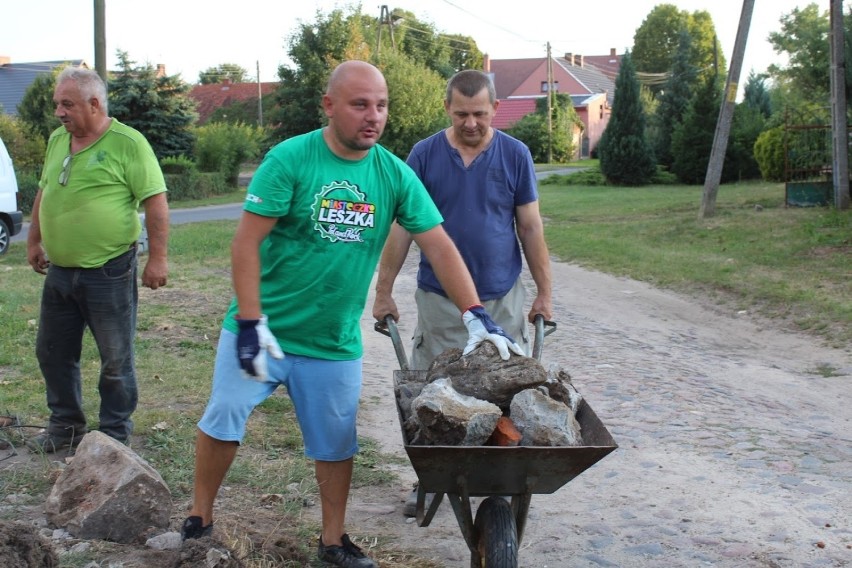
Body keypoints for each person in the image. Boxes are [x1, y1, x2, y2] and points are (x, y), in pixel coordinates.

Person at [180, 60, 522, 568]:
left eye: (381, 105)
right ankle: (199, 518)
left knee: (336, 442)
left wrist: (475, 312)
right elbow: (246, 244)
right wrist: (250, 320)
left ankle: (333, 541)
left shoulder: (392, 174)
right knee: (224, 416)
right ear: (330, 106)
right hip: (261, 329)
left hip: (331, 340)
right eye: (361, 104)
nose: (374, 116)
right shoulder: (290, 160)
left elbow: (439, 245)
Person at [371, 69, 553, 516]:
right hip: (439, 300)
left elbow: (529, 226)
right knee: (434, 391)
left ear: (494, 109)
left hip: (500, 296)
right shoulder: (425, 155)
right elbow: (402, 227)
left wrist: (544, 293)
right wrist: (384, 290)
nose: (470, 123)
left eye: (479, 114)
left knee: (501, 388)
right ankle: (430, 480)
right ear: (448, 110)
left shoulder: (515, 155)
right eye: (461, 114)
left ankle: (499, 477)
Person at [25, 66, 169, 452]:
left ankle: (113, 436)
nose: (59, 111)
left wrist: (158, 258)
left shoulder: (128, 142)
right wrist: (34, 238)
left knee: (114, 358)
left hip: (108, 271)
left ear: (94, 103)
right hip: (60, 272)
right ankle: (65, 426)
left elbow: (155, 199)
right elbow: (45, 191)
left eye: (67, 104)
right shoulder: (58, 139)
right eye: (57, 104)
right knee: (52, 351)